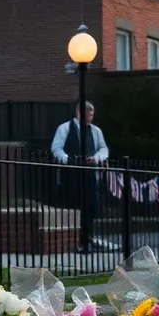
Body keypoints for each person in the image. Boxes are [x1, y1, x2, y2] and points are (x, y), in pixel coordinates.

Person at [51, 103, 108, 252]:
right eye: (89, 114)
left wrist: (96, 158)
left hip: (89, 174)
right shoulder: (64, 128)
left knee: (91, 207)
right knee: (74, 206)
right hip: (71, 175)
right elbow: (56, 148)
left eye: (92, 114)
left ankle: (87, 238)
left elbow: (103, 149)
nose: (91, 117)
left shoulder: (95, 131)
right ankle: (75, 241)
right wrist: (68, 160)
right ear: (79, 114)